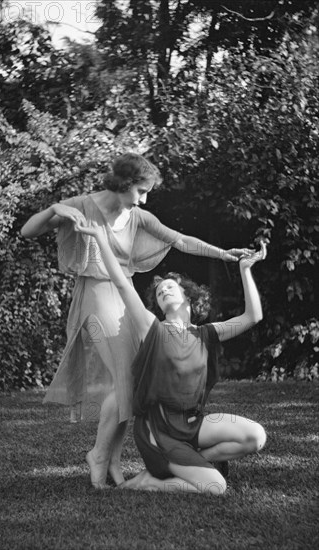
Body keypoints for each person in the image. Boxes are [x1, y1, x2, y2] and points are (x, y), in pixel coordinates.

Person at [21, 152, 253, 488]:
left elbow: (180, 240)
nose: (144, 199)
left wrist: (224, 253)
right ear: (124, 184)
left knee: (130, 382)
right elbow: (28, 230)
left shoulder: (137, 216)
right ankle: (100, 455)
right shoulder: (83, 205)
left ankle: (110, 459)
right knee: (124, 380)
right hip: (97, 295)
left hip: (123, 294)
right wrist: (56, 209)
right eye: (141, 191)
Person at [75, 219, 267, 494]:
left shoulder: (205, 334)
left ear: (189, 297)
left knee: (256, 437)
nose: (163, 289)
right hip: (159, 431)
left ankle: (192, 462)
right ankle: (147, 481)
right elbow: (120, 281)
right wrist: (98, 237)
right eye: (159, 291)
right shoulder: (151, 328)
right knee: (216, 488)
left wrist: (245, 269)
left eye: (170, 287)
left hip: (192, 423)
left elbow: (252, 317)